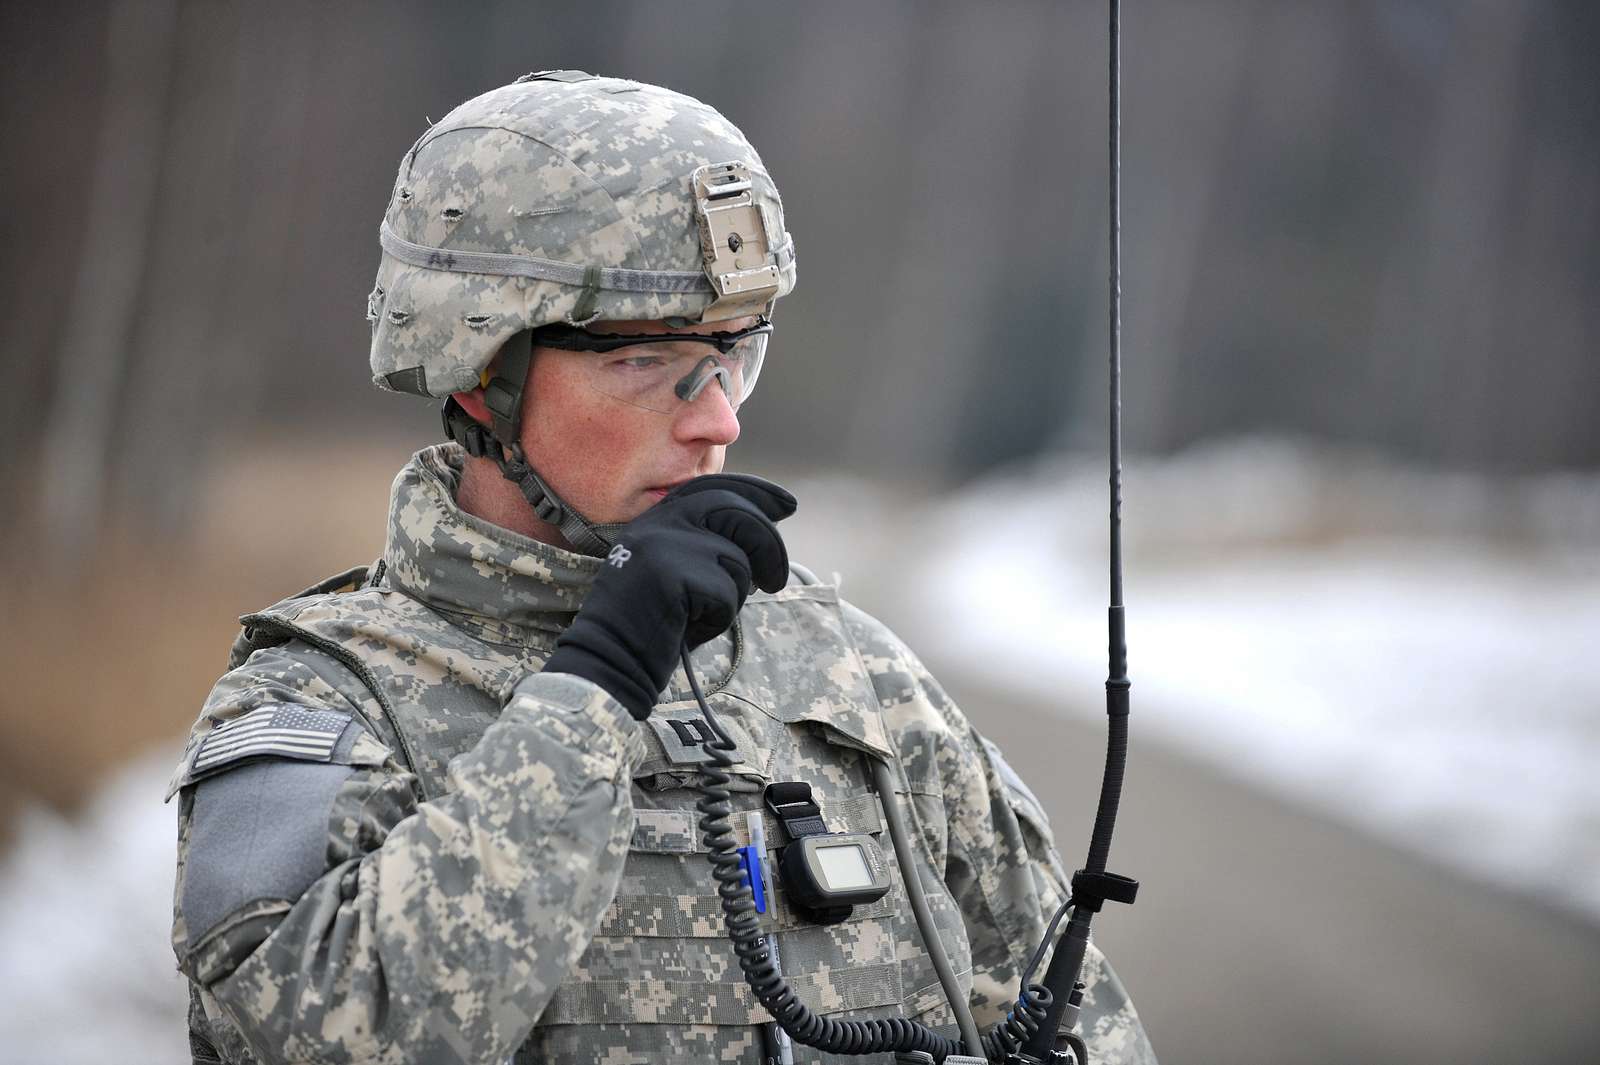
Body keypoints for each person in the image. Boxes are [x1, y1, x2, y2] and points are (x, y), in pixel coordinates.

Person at [167, 72, 1157, 1065]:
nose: (719, 418)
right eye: (646, 360)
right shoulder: (319, 700)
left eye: (736, 351)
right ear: (478, 371)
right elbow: (312, 1036)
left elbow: (1067, 1020)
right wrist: (597, 687)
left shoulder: (858, 680)